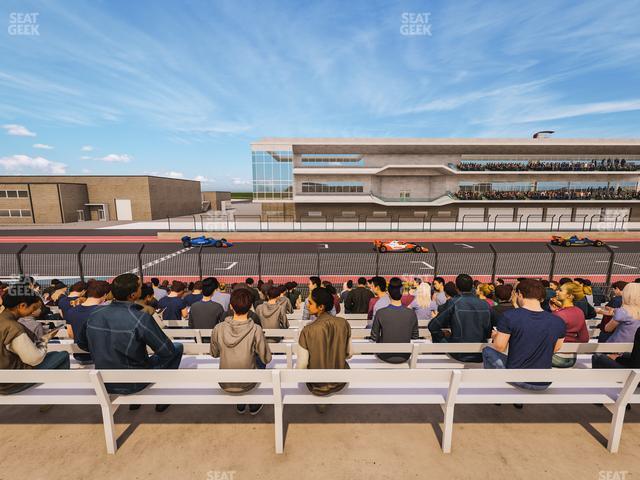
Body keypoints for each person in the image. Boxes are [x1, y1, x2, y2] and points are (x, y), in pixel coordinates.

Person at [76, 273, 183, 411]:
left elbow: (82, 344)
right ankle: (162, 398)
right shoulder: (140, 318)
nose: (142, 288)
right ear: (133, 295)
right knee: (177, 347)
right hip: (134, 382)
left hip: (103, 380)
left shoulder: (95, 313)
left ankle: (136, 401)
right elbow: (167, 351)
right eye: (140, 287)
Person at [482, 279, 566, 391]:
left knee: (487, 351)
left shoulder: (510, 316)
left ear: (520, 294)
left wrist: (495, 336)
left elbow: (499, 347)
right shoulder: (558, 321)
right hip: (544, 381)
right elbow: (556, 348)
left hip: (518, 378)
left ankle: (496, 388)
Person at [210, 288, 272, 416]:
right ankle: (252, 403)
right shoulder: (256, 329)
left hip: (225, 381)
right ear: (250, 307)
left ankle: (241, 403)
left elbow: (214, 354)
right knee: (258, 359)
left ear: (231, 306)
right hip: (247, 382)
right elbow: (267, 358)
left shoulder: (218, 328)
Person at [0, 285, 69, 395]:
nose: (35, 311)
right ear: (22, 306)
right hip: (10, 384)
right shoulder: (13, 327)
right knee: (63, 355)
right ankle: (54, 395)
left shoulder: (4, 322)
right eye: (33, 308)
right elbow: (34, 359)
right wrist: (44, 340)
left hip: (4, 379)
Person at [297, 287, 351, 405]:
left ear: (321, 307)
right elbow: (349, 353)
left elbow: (301, 366)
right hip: (340, 381)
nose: (307, 306)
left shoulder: (307, 331)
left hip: (317, 385)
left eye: (310, 303)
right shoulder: (344, 323)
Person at [428, 274, 495, 363]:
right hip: (479, 354)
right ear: (472, 287)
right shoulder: (485, 304)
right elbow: (488, 333)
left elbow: (432, 326)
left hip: (459, 353)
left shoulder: (453, 302)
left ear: (456, 288)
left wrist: (444, 335)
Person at [370, 277, 419, 364]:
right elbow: (415, 336)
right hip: (405, 356)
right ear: (402, 291)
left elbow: (374, 337)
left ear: (388, 292)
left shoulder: (380, 313)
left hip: (384, 356)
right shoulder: (411, 313)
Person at [66, 280, 111, 364]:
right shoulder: (104, 312)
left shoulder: (72, 311)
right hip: (99, 356)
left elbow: (70, 334)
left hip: (79, 355)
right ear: (105, 295)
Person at [550, 282, 588, 368]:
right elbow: (584, 338)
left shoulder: (558, 314)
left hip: (556, 357)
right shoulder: (579, 311)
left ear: (569, 296)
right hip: (572, 358)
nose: (557, 292)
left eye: (560, 290)